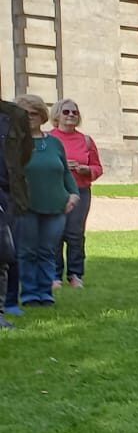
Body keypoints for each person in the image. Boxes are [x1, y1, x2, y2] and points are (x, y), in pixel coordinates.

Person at [12, 95, 80, 307]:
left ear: (41, 116)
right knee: (27, 251)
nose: (29, 117)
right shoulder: (13, 142)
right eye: (24, 113)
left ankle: (46, 293)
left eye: (33, 113)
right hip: (26, 206)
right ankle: (30, 294)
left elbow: (65, 173)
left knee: (47, 251)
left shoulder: (54, 143)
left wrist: (74, 194)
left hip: (56, 205)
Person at [49, 99, 101, 289]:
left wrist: (85, 169)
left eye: (74, 112)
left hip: (80, 190)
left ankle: (75, 274)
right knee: (54, 233)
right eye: (66, 112)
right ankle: (54, 275)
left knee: (75, 234)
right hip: (54, 190)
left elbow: (97, 167)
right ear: (57, 115)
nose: (71, 115)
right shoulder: (49, 139)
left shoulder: (85, 140)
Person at [1, 97, 34, 325]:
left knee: (4, 253)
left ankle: (3, 307)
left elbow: (25, 154)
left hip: (6, 192)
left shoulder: (15, 115)